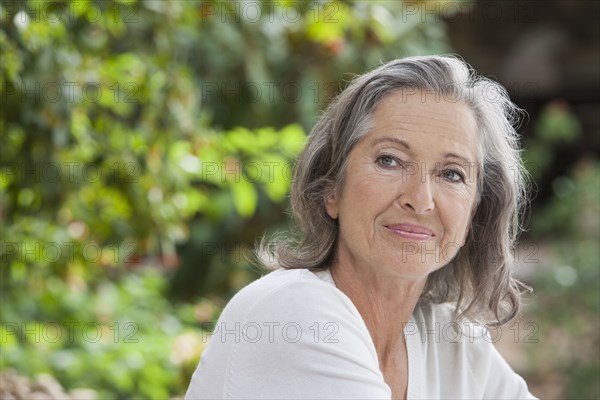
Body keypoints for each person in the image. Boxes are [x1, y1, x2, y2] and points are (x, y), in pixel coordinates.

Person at [185, 55, 538, 399]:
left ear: (474, 213)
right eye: (390, 160)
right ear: (331, 189)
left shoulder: (455, 345)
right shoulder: (293, 315)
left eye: (451, 174)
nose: (420, 199)